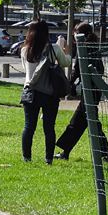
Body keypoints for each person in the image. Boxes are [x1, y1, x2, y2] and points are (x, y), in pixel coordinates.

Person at [55, 22, 108, 162]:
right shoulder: (93, 47)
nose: (73, 36)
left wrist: (69, 85)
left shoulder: (85, 48)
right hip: (93, 90)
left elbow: (77, 71)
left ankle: (66, 151)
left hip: (90, 92)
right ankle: (106, 154)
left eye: (75, 33)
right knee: (88, 122)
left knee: (79, 122)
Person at [20, 20, 71, 164]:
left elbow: (27, 70)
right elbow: (66, 62)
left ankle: (26, 157)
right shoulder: (53, 48)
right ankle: (48, 158)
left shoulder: (25, 49)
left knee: (29, 126)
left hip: (30, 91)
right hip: (50, 93)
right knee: (49, 128)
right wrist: (64, 48)